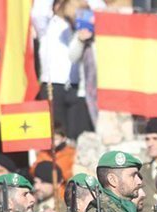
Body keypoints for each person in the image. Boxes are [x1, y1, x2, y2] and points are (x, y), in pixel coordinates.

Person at [31, 0, 97, 140]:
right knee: (56, 135)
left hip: (77, 87)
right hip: (52, 85)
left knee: (77, 136)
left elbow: (99, 7)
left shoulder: (83, 25)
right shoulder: (47, 25)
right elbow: (38, 12)